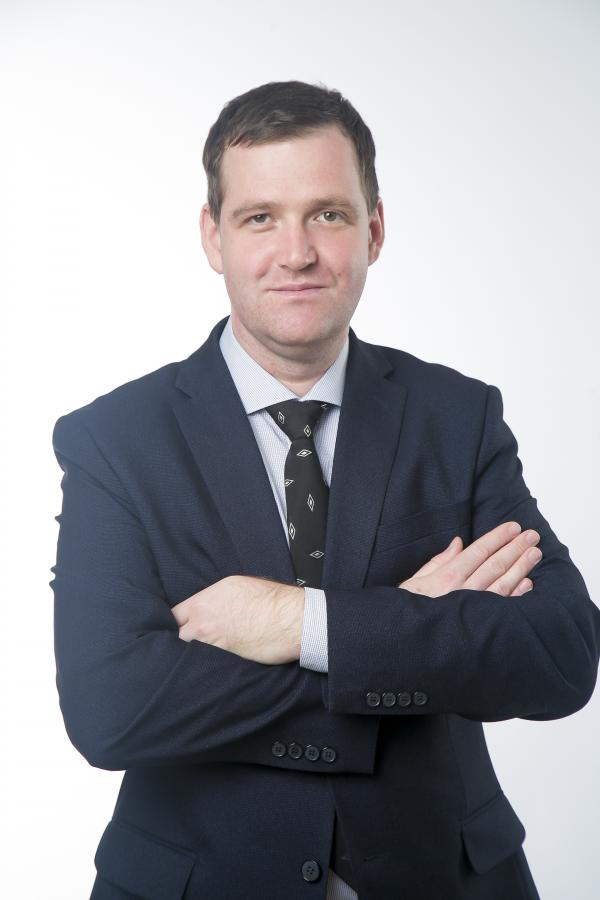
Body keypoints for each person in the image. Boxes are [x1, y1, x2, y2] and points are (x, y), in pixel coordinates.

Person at [50, 80, 599, 900]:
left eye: (328, 215)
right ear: (213, 236)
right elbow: (112, 709)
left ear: (373, 230)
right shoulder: (115, 441)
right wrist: (406, 622)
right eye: (259, 218)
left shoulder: (458, 417)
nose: (297, 252)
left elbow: (559, 655)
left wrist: (299, 623)